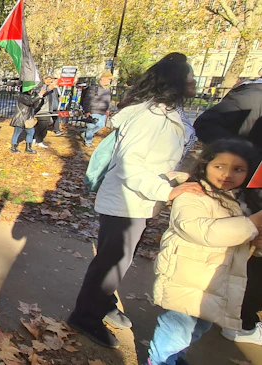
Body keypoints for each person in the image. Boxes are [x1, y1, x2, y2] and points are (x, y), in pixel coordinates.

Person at [67, 56, 201, 348]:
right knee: (110, 263)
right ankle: (85, 316)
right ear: (175, 80)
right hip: (127, 202)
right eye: (190, 75)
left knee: (117, 261)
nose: (195, 81)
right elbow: (130, 163)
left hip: (140, 201)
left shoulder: (167, 113)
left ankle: (102, 303)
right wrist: (167, 191)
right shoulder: (152, 117)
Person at [147, 138, 262, 365]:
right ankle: (160, 362)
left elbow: (238, 239)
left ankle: (175, 357)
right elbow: (205, 232)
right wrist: (253, 222)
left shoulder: (238, 200)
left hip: (214, 283)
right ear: (205, 165)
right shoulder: (192, 195)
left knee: (199, 327)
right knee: (177, 328)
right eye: (219, 166)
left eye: (238, 169)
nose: (227, 174)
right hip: (186, 277)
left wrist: (255, 244)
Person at [192, 68, 262, 345]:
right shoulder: (255, 95)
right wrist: (245, 158)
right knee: (251, 252)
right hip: (249, 191)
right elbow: (207, 123)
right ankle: (240, 319)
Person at [80, 71, 113, 147]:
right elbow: (87, 100)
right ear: (103, 79)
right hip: (93, 110)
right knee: (91, 126)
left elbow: (108, 100)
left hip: (102, 111)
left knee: (101, 125)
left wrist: (108, 109)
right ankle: (88, 141)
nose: (109, 81)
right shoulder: (93, 88)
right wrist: (87, 111)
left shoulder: (108, 89)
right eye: (108, 79)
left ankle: (85, 134)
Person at [9, 87, 45, 154]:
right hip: (21, 118)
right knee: (17, 133)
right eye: (30, 89)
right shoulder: (22, 96)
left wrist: (40, 97)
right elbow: (29, 102)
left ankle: (28, 148)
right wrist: (39, 95)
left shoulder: (29, 96)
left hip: (28, 118)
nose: (31, 90)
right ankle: (13, 148)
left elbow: (34, 105)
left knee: (31, 132)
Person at [34, 76, 59, 148]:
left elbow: (54, 97)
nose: (49, 80)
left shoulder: (54, 90)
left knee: (43, 126)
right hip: (42, 110)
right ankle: (38, 140)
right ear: (43, 80)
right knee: (42, 126)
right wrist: (52, 85)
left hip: (49, 110)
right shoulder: (41, 87)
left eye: (50, 79)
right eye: (47, 79)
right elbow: (43, 93)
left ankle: (35, 139)